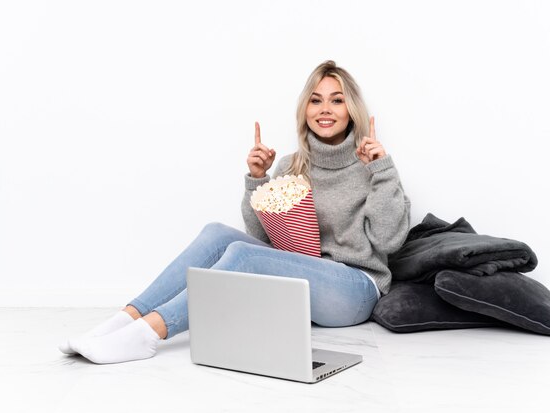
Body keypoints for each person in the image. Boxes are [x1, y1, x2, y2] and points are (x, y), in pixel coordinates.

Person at [59, 60, 411, 364]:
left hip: (354, 289)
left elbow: (388, 240)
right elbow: (265, 241)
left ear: (352, 110)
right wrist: (257, 181)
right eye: (315, 100)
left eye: (337, 101)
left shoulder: (372, 165)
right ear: (304, 109)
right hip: (303, 283)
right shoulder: (293, 165)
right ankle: (124, 320)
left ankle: (148, 334)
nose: (325, 109)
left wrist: (381, 171)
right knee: (216, 234)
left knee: (242, 255)